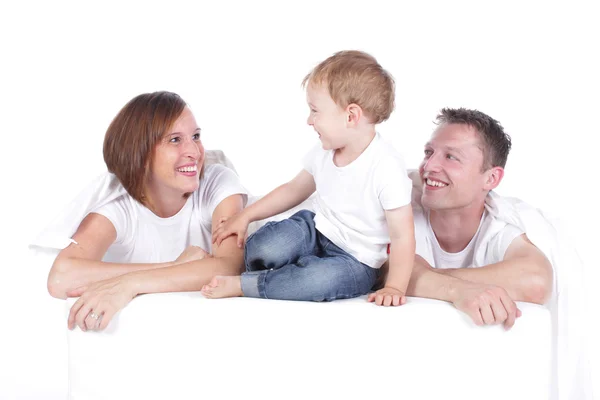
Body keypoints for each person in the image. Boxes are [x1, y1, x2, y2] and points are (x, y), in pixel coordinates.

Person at [202, 50, 415, 306]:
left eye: (315, 111)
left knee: (317, 280)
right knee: (265, 248)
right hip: (316, 230)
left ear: (351, 116)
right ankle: (255, 271)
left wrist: (394, 286)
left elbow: (403, 236)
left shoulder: (386, 167)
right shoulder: (325, 151)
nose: (309, 121)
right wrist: (245, 216)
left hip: (356, 260)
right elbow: (294, 189)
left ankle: (246, 284)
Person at [46, 91, 248, 331]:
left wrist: (130, 284)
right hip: (144, 333)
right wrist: (174, 266)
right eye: (175, 140)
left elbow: (229, 267)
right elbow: (61, 278)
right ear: (139, 154)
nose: (193, 151)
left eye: (195, 136)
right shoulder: (119, 206)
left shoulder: (217, 182)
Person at [401, 108, 553, 328]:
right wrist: (457, 290)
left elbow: (537, 281)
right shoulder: (398, 200)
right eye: (428, 152)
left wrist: (429, 277)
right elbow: (385, 269)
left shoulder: (499, 226)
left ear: (491, 179)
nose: (429, 166)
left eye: (451, 157)